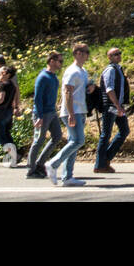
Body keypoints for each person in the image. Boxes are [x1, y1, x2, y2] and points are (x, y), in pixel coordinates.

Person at [45, 43, 92, 186]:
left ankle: (67, 177)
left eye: (88, 52)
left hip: (80, 110)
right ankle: (53, 163)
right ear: (77, 53)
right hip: (73, 111)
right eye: (84, 51)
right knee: (78, 141)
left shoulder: (82, 71)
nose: (87, 54)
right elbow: (67, 92)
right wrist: (71, 113)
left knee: (74, 142)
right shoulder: (72, 71)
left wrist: (90, 87)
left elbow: (78, 90)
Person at [26, 52, 64, 179]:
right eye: (60, 61)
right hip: (42, 113)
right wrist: (39, 116)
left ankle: (40, 164)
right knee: (38, 141)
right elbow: (37, 98)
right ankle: (31, 171)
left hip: (52, 112)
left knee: (57, 136)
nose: (61, 64)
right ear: (52, 61)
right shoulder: (43, 77)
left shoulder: (54, 77)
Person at [93, 47, 129, 174]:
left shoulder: (118, 69)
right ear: (109, 57)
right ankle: (100, 164)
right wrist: (117, 105)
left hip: (117, 106)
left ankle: (106, 159)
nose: (118, 56)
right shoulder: (110, 71)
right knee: (106, 134)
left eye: (119, 53)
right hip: (110, 107)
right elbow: (109, 89)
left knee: (124, 130)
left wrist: (120, 105)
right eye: (115, 54)